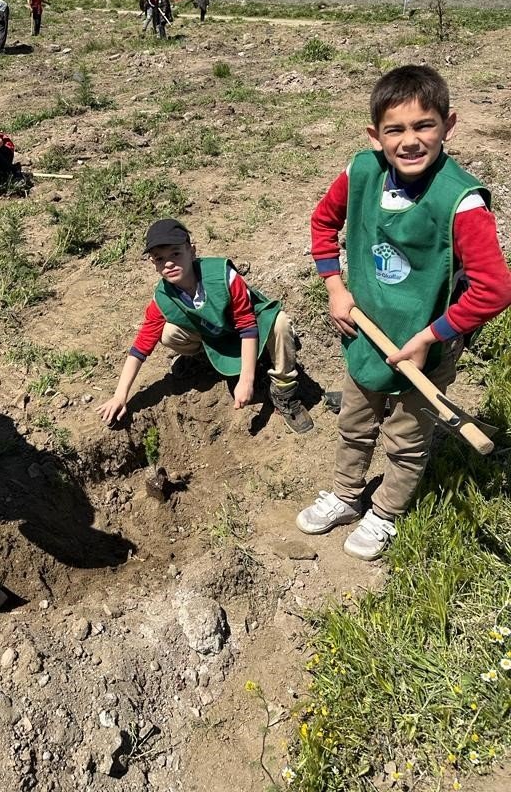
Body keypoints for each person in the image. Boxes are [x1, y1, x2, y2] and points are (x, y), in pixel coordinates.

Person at [296, 65, 511, 561]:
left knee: (407, 437)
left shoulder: (461, 201)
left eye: (424, 126)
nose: (410, 141)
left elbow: (495, 288)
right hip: (366, 332)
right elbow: (323, 222)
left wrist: (432, 336)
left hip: (423, 343)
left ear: (448, 125)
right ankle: (347, 495)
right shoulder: (362, 173)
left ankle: (386, 512)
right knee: (355, 419)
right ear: (375, 135)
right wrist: (335, 287)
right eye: (395, 129)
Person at [97, 218, 313, 434]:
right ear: (153, 264)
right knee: (167, 333)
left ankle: (283, 392)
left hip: (254, 327)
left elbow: (247, 326)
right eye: (160, 259)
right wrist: (120, 395)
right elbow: (141, 347)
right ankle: (207, 361)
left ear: (191, 251)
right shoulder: (163, 297)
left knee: (280, 323)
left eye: (175, 254)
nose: (169, 263)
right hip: (216, 336)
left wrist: (247, 380)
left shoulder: (223, 276)